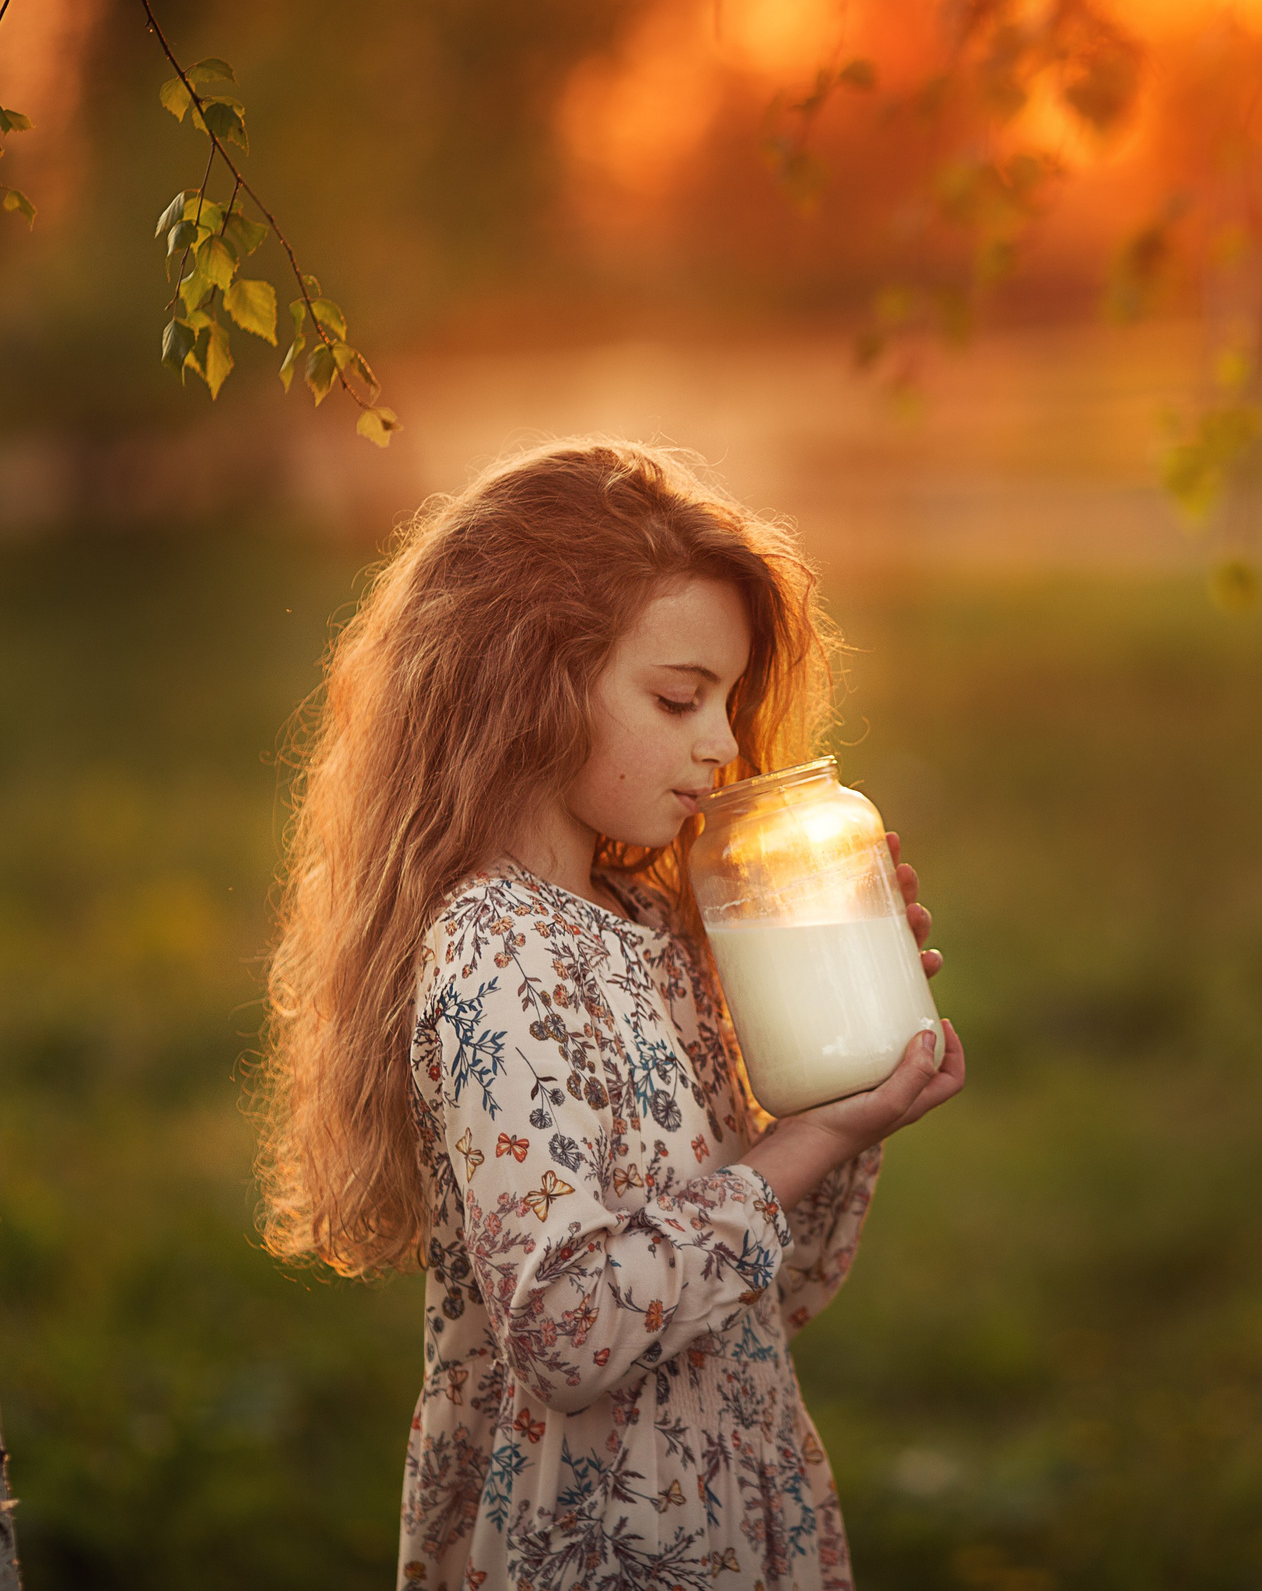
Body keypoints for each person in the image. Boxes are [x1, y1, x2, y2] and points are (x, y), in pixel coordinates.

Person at [256, 441, 967, 1590]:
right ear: (528, 680)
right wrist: (806, 1144)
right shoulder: (499, 952)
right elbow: (570, 1335)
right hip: (600, 1549)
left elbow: (776, 1294)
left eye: (728, 701)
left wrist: (847, 1094)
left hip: (736, 1512)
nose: (723, 744)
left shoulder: (652, 923)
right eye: (679, 698)